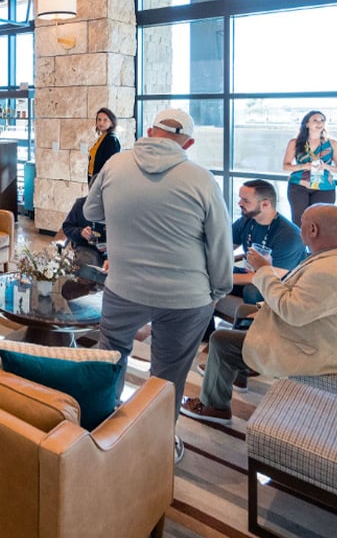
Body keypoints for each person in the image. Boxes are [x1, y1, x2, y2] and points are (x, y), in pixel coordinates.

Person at [84, 107, 232, 464]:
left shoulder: (115, 165)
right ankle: (158, 445)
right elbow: (220, 245)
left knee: (111, 357)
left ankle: (102, 432)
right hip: (185, 297)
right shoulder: (201, 179)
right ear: (190, 142)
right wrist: (219, 291)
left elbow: (91, 212)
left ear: (150, 130)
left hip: (123, 287)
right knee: (166, 376)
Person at [180, 204, 337, 426]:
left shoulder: (330, 272)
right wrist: (263, 308)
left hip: (318, 350)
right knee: (245, 311)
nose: (299, 230)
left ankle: (214, 406)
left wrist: (263, 270)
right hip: (319, 332)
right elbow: (302, 301)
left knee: (221, 340)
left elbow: (291, 312)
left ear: (313, 230)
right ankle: (241, 370)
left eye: (302, 225)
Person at [229, 180, 306, 304]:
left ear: (265, 204)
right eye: (240, 199)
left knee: (252, 291)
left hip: (280, 284)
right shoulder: (246, 221)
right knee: (206, 274)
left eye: (246, 201)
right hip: (251, 272)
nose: (239, 203)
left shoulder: (289, 235)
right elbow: (223, 250)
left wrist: (223, 279)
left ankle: (249, 323)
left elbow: (271, 277)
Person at [282, 110, 337, 227]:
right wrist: (304, 166)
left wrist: (325, 166)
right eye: (315, 120)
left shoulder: (333, 144)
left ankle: (317, 246)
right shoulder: (295, 142)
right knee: (299, 223)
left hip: (324, 187)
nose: (319, 123)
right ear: (307, 124)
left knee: (321, 224)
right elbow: (286, 166)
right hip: (298, 185)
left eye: (322, 120)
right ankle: (299, 245)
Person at [59, 196, 105, 280]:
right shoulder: (81, 204)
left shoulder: (119, 208)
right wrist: (80, 232)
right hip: (87, 248)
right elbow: (67, 228)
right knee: (85, 266)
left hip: (114, 251)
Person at [86, 107, 121, 186]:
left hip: (102, 181)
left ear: (112, 123)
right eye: (99, 119)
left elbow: (111, 165)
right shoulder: (101, 138)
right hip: (94, 178)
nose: (101, 123)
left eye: (105, 120)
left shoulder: (111, 140)